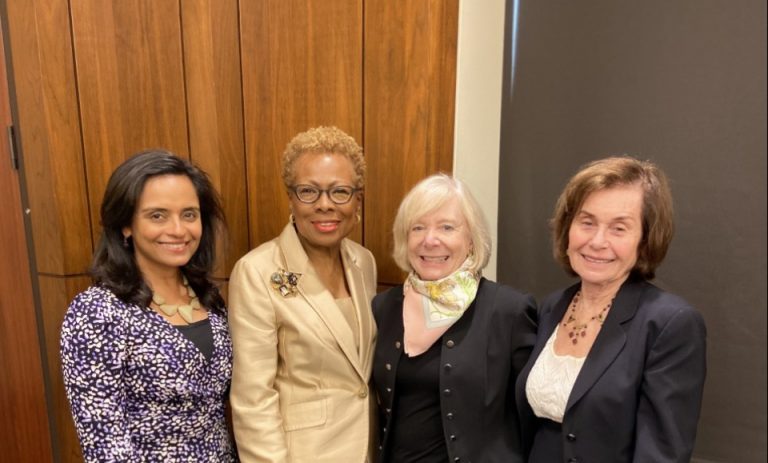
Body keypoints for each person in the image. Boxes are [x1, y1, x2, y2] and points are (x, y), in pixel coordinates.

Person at [516, 156, 707, 462]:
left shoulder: (670, 324)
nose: (597, 241)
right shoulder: (552, 307)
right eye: (587, 222)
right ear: (567, 228)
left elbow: (661, 453)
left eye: (619, 228)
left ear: (645, 240)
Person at [60, 149, 236, 461]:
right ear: (125, 224)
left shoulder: (209, 298)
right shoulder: (97, 312)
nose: (178, 230)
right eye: (157, 215)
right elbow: (104, 444)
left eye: (189, 214)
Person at [228, 126, 377, 462]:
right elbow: (253, 400)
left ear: (358, 200)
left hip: (367, 451)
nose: (325, 205)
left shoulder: (363, 262)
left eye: (340, 192)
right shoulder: (257, 271)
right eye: (309, 191)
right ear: (291, 198)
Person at [371, 174, 538, 463]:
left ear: (471, 240)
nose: (430, 240)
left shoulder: (508, 311)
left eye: (446, 227)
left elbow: (531, 415)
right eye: (418, 227)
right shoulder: (384, 307)